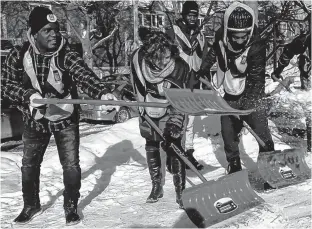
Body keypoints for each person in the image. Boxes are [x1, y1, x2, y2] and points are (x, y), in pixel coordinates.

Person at [1, 6, 118, 225]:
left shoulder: (66, 54)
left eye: (55, 29)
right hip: (34, 120)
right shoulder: (18, 55)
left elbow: (84, 75)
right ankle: (31, 205)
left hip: (65, 120)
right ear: (34, 33)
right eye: (47, 30)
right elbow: (5, 85)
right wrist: (27, 95)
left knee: (71, 165)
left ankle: (71, 206)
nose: (54, 34)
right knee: (29, 165)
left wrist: (103, 92)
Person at [198, 2, 275, 174]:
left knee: (261, 132)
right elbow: (214, 52)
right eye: (236, 37)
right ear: (228, 32)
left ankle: (269, 167)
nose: (240, 40)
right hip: (230, 92)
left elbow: (257, 78)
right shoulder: (221, 36)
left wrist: (248, 105)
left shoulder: (257, 44)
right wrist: (204, 68)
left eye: (243, 36)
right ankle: (234, 168)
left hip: (252, 94)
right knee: (228, 133)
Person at [130, 28, 189, 209]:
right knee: (152, 145)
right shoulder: (139, 62)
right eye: (158, 57)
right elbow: (136, 85)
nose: (164, 62)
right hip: (148, 105)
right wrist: (142, 109)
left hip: (172, 107)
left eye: (167, 56)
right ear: (149, 56)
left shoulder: (180, 67)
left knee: (175, 146)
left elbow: (181, 100)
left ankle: (181, 191)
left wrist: (175, 124)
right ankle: (156, 186)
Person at [167, 1, 207, 170]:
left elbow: (204, 57)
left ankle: (188, 152)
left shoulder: (200, 35)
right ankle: (173, 155)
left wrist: (206, 78)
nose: (192, 18)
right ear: (183, 15)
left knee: (190, 121)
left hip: (193, 83)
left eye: (194, 15)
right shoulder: (173, 32)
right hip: (176, 83)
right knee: (176, 121)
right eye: (189, 15)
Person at [271, 14, 311, 152]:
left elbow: (288, 52)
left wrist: (277, 70)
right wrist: (278, 70)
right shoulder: (304, 40)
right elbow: (288, 52)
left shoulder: (304, 39)